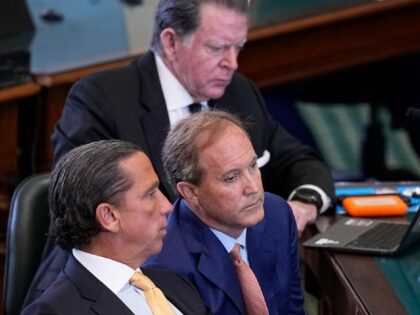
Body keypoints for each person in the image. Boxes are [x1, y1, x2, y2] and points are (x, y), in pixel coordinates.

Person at [24, 0, 334, 307]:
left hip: (217, 280)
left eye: (238, 47)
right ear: (171, 42)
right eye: (217, 48)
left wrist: (303, 205)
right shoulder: (101, 100)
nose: (233, 63)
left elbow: (299, 162)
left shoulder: (239, 92)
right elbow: (83, 211)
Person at [22, 140, 210, 315]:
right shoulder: (55, 311)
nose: (167, 206)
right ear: (109, 216)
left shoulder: (178, 285)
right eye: (151, 194)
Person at [145, 110, 305, 314]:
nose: (253, 188)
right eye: (231, 178)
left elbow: (293, 309)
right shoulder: (165, 265)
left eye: (253, 166)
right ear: (190, 192)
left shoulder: (277, 214)